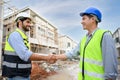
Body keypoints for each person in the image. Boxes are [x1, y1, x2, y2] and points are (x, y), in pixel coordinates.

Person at [51, 7, 118, 80]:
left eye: (84, 18)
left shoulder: (105, 35)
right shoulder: (84, 39)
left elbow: (110, 67)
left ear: (93, 19)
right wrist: (55, 57)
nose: (81, 22)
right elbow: (72, 53)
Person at [2, 12, 56, 80]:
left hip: (23, 74)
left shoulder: (23, 37)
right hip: (16, 75)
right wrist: (47, 58)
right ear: (19, 22)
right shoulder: (15, 35)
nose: (30, 25)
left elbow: (27, 55)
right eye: (27, 22)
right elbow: (25, 55)